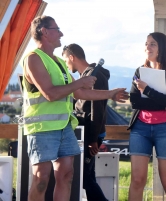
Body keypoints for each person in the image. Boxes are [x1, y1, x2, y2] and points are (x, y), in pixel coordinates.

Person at [23, 15, 128, 201]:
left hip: (64, 128)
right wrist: (80, 82)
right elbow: (50, 93)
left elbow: (79, 93)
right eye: (57, 29)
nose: (61, 33)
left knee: (66, 176)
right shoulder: (33, 59)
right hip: (42, 130)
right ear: (44, 32)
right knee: (41, 180)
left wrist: (110, 94)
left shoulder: (60, 62)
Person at [128, 32, 166, 201]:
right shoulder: (139, 70)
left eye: (152, 44)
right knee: (137, 180)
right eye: (146, 43)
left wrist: (147, 91)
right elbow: (135, 102)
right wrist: (163, 103)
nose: (148, 47)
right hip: (140, 129)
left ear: (162, 48)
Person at [62, 43, 109, 201]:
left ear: (71, 57)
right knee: (88, 177)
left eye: (66, 62)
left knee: (85, 179)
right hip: (88, 133)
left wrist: (93, 139)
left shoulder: (95, 77)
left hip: (91, 134)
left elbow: (98, 108)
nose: (67, 66)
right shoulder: (86, 77)